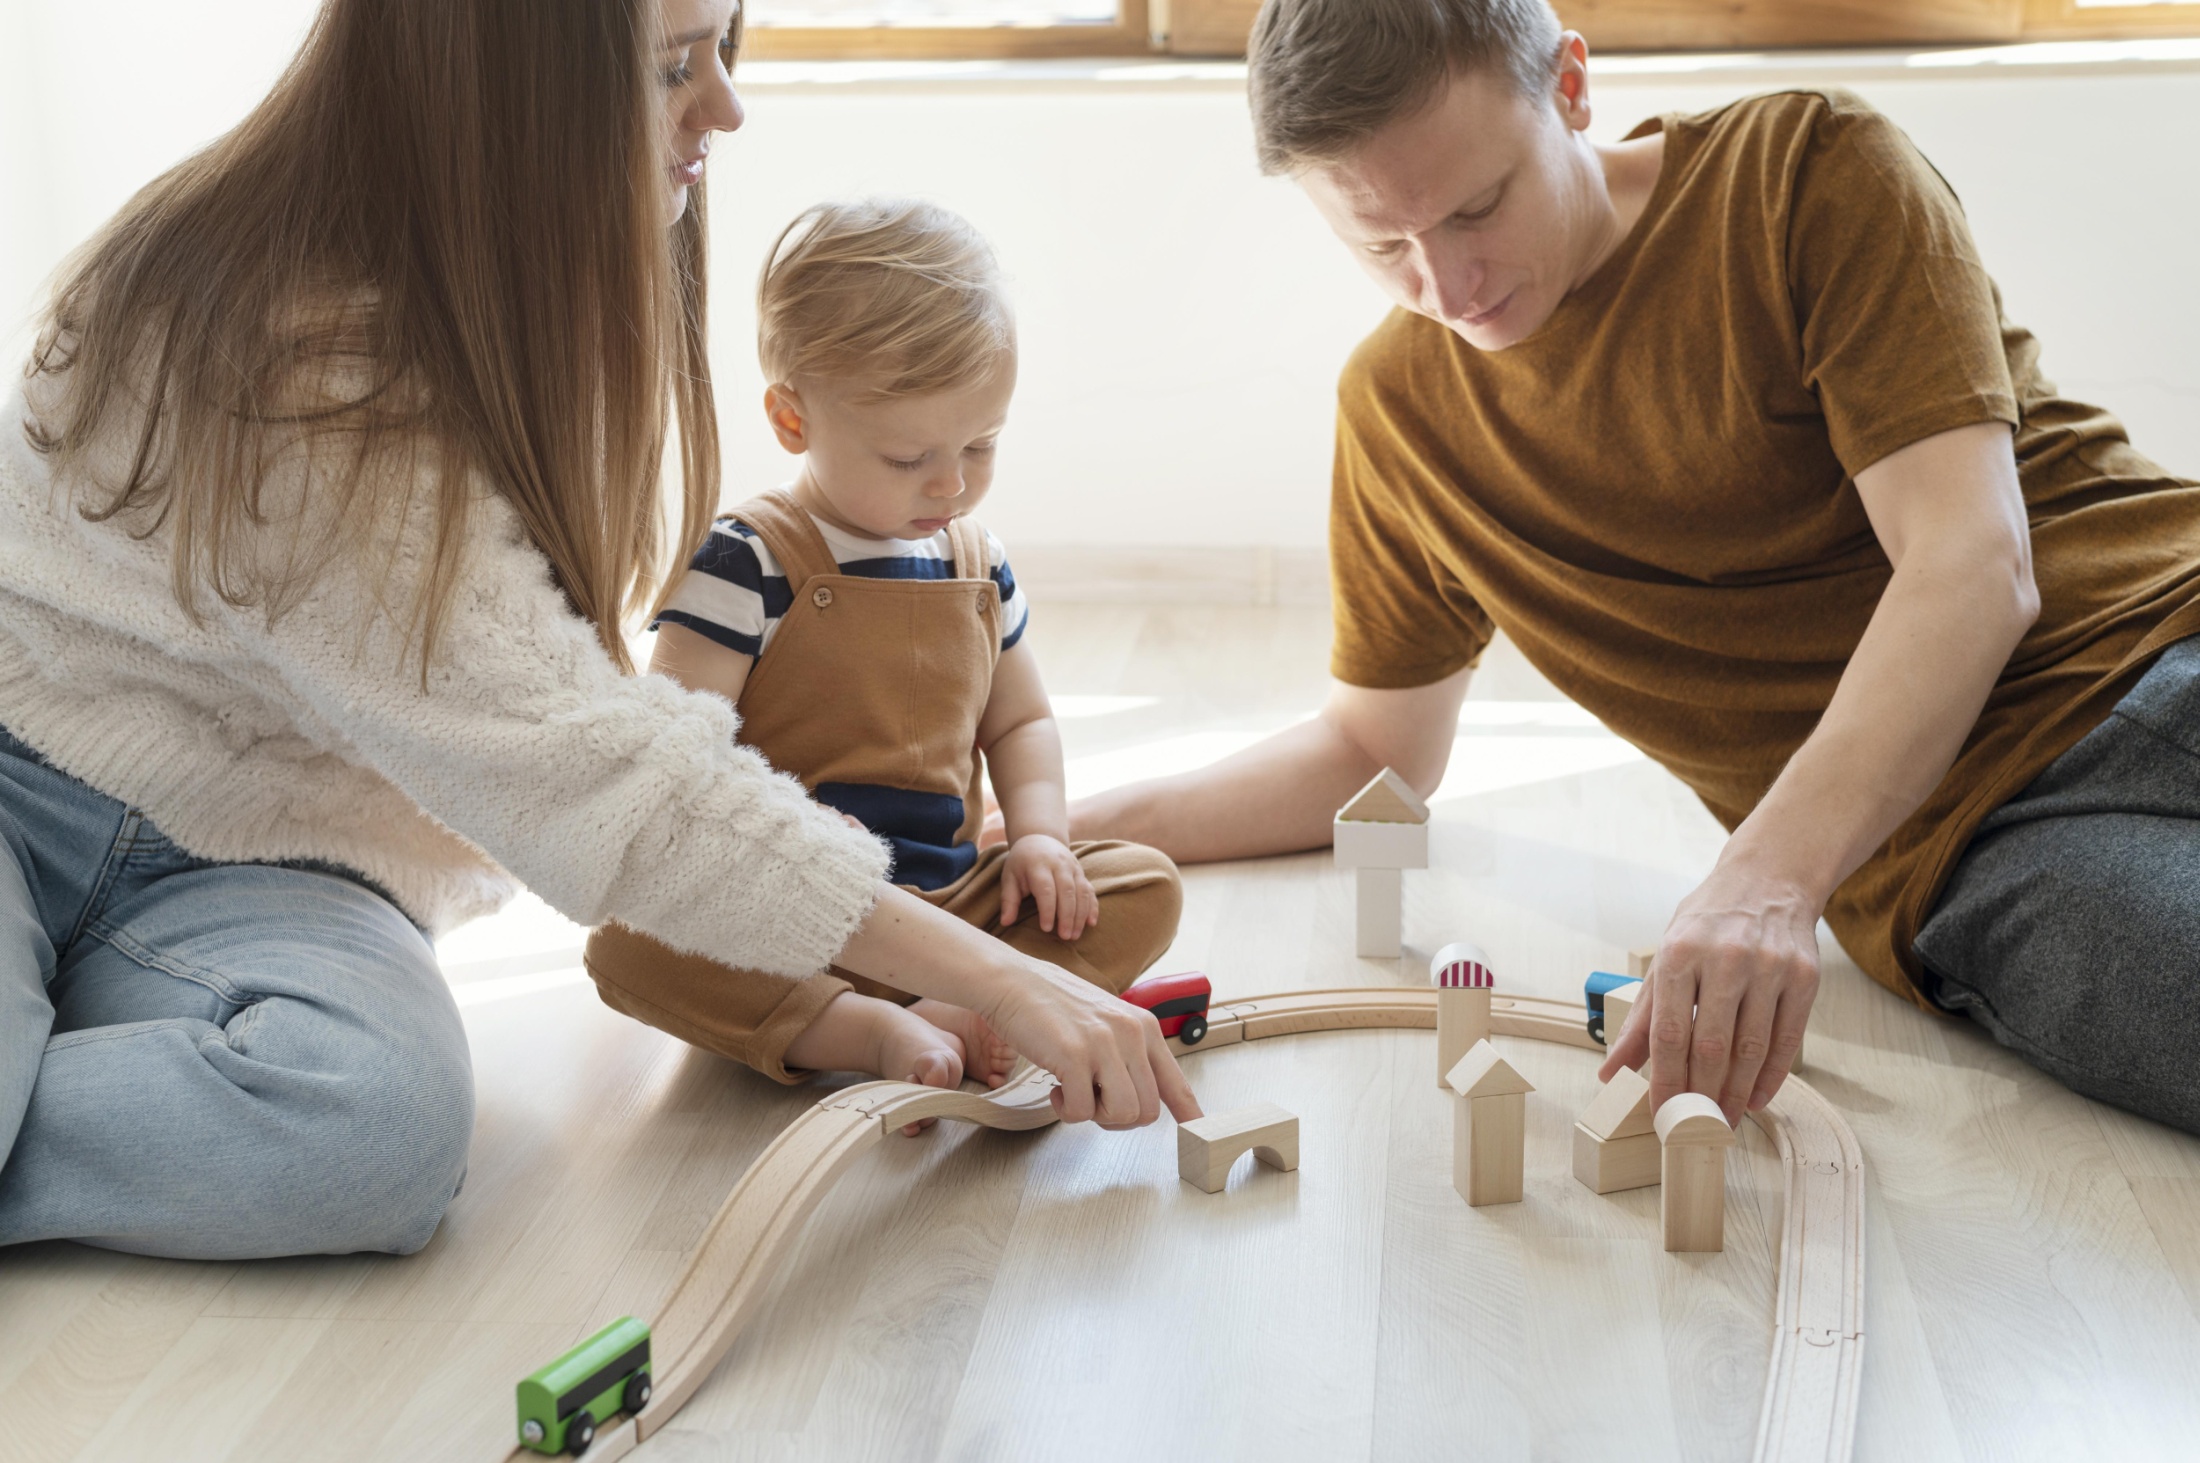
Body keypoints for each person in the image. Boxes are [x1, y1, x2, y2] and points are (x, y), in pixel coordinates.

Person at [0, 0, 1194, 1264]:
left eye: (724, 47)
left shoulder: (516, 299)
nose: (725, 106)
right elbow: (606, 778)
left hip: (271, 868)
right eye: (677, 68)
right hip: (25, 802)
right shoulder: (278, 349)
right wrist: (1005, 979)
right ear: (512, 89)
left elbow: (586, 745)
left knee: (377, 1126)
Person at [1071, 0, 2200, 1136]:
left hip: (2169, 628)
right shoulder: (1398, 413)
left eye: (1478, 206)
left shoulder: (1800, 169)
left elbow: (1970, 563)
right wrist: (1053, 829)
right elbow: (1370, 752)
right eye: (1382, 246)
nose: (1449, 285)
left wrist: (1762, 880)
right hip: (1973, 847)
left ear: (1569, 86)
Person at [584, 198, 1184, 1102]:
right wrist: (789, 828)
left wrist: (1040, 839)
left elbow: (1021, 720)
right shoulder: (745, 561)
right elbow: (682, 750)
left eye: (981, 444)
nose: (951, 482)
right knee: (630, 941)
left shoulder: (978, 564)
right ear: (793, 420)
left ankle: (959, 1002)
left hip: (951, 904)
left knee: (1142, 882)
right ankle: (861, 1028)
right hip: (782, 910)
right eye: (908, 457)